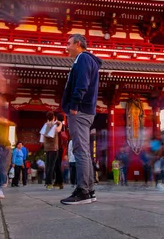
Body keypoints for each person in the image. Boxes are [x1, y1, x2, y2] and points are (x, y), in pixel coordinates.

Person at [60, 34, 102, 205]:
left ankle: (83, 191)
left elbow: (82, 83)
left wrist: (74, 105)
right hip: (86, 110)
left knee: (80, 151)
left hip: (80, 111)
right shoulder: (88, 60)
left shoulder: (83, 59)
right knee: (84, 150)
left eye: (68, 43)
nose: (66, 47)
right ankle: (89, 190)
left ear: (78, 44)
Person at [42, 111, 63, 190]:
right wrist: (60, 123)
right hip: (54, 148)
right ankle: (49, 183)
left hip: (47, 148)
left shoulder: (45, 125)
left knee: (47, 166)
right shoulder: (53, 125)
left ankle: (47, 182)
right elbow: (58, 130)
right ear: (53, 117)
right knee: (51, 166)